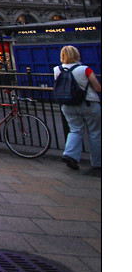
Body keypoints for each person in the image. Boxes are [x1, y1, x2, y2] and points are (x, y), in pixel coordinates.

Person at [54, 45, 102, 176]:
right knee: (95, 133)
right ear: (77, 55)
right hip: (88, 103)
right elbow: (98, 88)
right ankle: (97, 163)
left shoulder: (57, 70)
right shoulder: (84, 69)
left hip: (67, 104)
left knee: (75, 130)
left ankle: (70, 154)